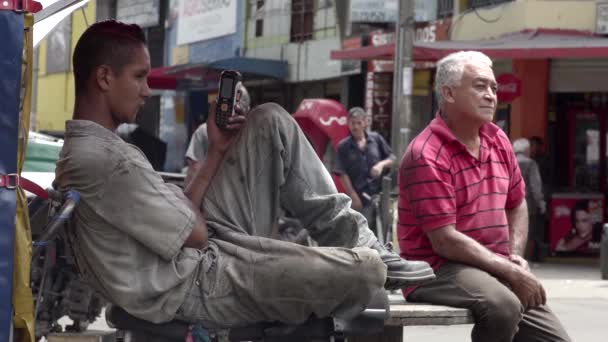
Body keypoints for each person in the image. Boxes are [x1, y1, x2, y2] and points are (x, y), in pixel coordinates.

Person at [53, 20, 435, 328]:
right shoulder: (103, 159)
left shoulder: (104, 150)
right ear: (104, 78)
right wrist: (186, 208)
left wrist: (218, 150)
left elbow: (186, 218)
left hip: (198, 253)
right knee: (365, 273)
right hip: (197, 284)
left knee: (269, 120)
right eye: (139, 77)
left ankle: (365, 243)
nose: (147, 91)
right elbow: (195, 232)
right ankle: (367, 257)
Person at [397, 51, 570, 342]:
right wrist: (509, 271)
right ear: (448, 93)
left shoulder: (498, 138)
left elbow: (516, 202)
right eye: (479, 86)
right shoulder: (425, 154)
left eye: (493, 87)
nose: (491, 95)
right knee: (502, 306)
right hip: (435, 268)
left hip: (491, 265)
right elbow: (444, 240)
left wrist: (513, 256)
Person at [334, 107, 395, 230]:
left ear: (365, 123)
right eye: (352, 123)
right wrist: (352, 195)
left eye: (359, 123)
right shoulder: (343, 146)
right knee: (362, 233)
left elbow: (392, 158)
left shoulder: (376, 139)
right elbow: (341, 173)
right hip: (359, 198)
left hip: (380, 196)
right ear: (348, 124)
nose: (355, 127)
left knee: (382, 231)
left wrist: (380, 165)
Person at [184, 82, 250, 185]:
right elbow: (194, 170)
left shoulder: (250, 136)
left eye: (237, 112)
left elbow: (194, 171)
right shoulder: (204, 131)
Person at [512, 138, 546, 261]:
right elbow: (535, 186)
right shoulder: (531, 164)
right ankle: (524, 257)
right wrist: (541, 202)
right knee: (528, 231)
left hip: (509, 202)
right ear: (526, 150)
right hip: (527, 203)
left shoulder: (509, 161)